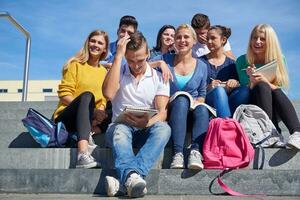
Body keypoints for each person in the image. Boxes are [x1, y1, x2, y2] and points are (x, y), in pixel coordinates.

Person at [103, 31, 171, 198]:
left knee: (164, 129)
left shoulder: (159, 76)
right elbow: (108, 94)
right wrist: (118, 57)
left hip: (145, 128)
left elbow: (162, 113)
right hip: (120, 128)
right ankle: (132, 177)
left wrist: (146, 124)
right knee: (120, 130)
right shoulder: (118, 69)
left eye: (140, 60)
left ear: (148, 54)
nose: (136, 65)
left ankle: (127, 179)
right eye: (130, 60)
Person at [153, 24, 209, 169]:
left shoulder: (202, 66)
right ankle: (177, 153)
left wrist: (198, 102)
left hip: (192, 111)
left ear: (194, 41)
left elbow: (202, 93)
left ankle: (195, 152)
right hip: (171, 110)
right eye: (178, 37)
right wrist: (160, 63)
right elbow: (142, 65)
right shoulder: (165, 58)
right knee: (182, 99)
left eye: (186, 37)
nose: (182, 40)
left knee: (202, 109)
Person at [236, 24, 300, 149]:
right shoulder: (242, 60)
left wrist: (265, 81)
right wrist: (252, 79)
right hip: (253, 106)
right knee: (261, 86)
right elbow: (244, 90)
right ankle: (272, 132)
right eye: (254, 38)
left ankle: (296, 133)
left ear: (270, 42)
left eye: (262, 39)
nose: (257, 42)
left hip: (275, 104)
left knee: (271, 88)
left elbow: (280, 86)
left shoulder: (280, 58)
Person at [52, 30, 109, 168]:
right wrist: (92, 110)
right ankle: (82, 154)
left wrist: (100, 111)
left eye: (100, 43)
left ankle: (87, 131)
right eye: (93, 41)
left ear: (105, 49)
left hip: (90, 117)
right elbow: (64, 95)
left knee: (117, 110)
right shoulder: (74, 64)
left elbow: (103, 99)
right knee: (87, 96)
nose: (95, 45)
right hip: (67, 116)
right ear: (87, 43)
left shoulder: (104, 71)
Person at [201, 25, 249, 118]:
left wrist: (235, 82)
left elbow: (239, 83)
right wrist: (209, 87)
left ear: (223, 40)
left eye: (213, 38)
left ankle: (225, 117)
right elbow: (196, 88)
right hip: (208, 101)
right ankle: (226, 125)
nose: (209, 42)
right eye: (207, 39)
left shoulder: (232, 64)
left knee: (245, 91)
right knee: (218, 91)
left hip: (229, 100)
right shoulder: (200, 62)